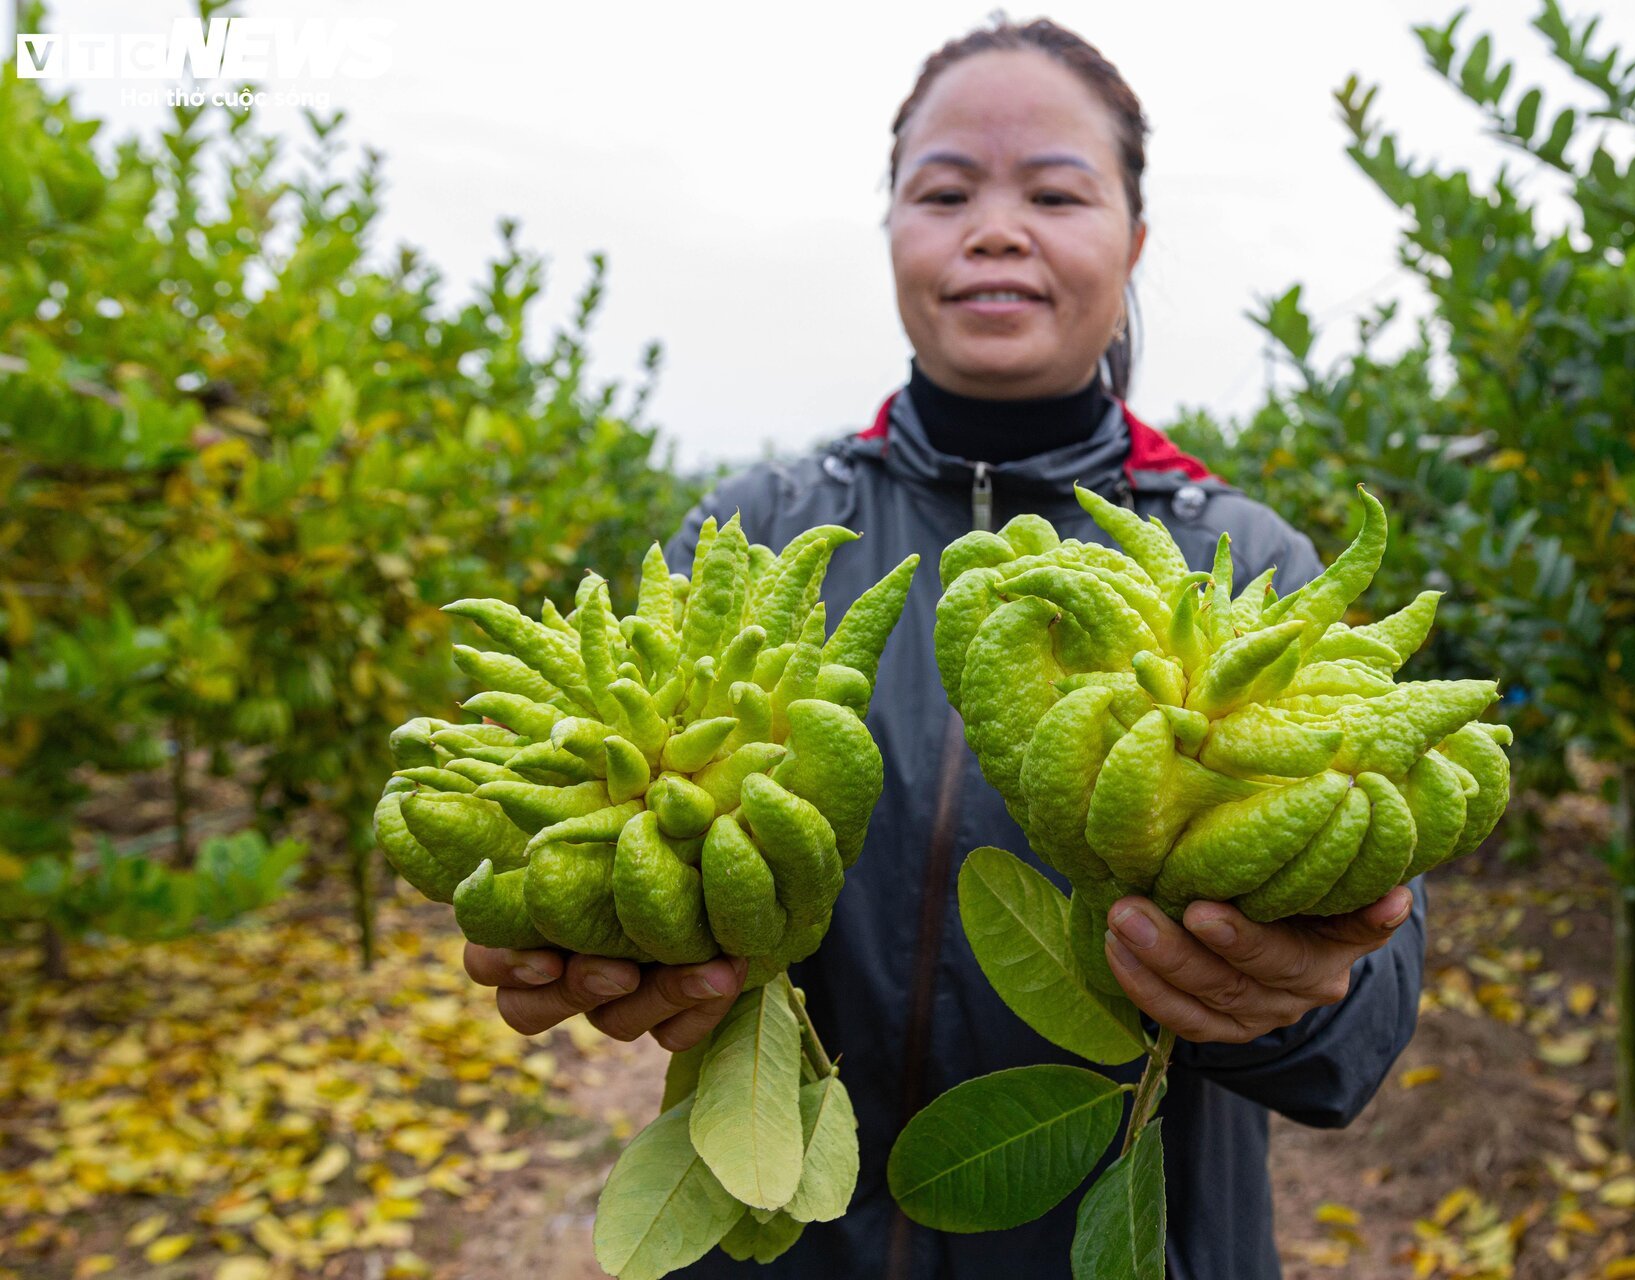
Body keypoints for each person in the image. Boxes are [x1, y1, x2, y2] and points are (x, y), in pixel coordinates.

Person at [459, 16, 1424, 1278]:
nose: (996, 226)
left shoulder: (1244, 567)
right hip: (786, 1237)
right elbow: (605, 801)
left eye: (1056, 191)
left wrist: (1300, 993)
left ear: (1134, 241)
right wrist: (603, 930)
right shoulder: (758, 532)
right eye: (946, 189)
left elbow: (1364, 1025)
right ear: (893, 234)